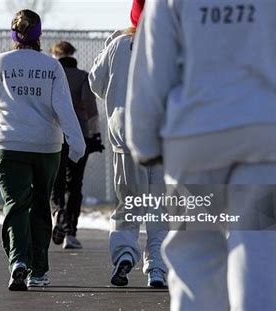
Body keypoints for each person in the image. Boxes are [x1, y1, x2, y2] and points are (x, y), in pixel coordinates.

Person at [126, 0, 276, 310]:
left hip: (196, 138)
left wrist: (143, 143)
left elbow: (153, 68)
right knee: (269, 259)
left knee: (195, 255)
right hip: (275, 137)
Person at [0, 10, 86, 291]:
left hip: (9, 144)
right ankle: (39, 270)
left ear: (13, 35)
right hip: (45, 146)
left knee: (15, 205)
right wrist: (76, 142)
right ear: (39, 35)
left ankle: (18, 261)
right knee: (41, 205)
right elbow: (63, 107)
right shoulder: (51, 67)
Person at [89, 0, 168, 288]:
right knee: (160, 207)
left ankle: (124, 254)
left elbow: (95, 83)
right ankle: (157, 267)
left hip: (126, 136)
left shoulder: (117, 45)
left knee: (129, 203)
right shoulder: (170, 44)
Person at [49, 41, 104, 250]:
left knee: (56, 180)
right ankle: (71, 232)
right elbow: (91, 109)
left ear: (55, 55)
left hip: (55, 134)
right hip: (80, 135)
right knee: (75, 184)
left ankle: (57, 212)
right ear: (73, 54)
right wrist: (95, 135)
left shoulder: (52, 75)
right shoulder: (83, 77)